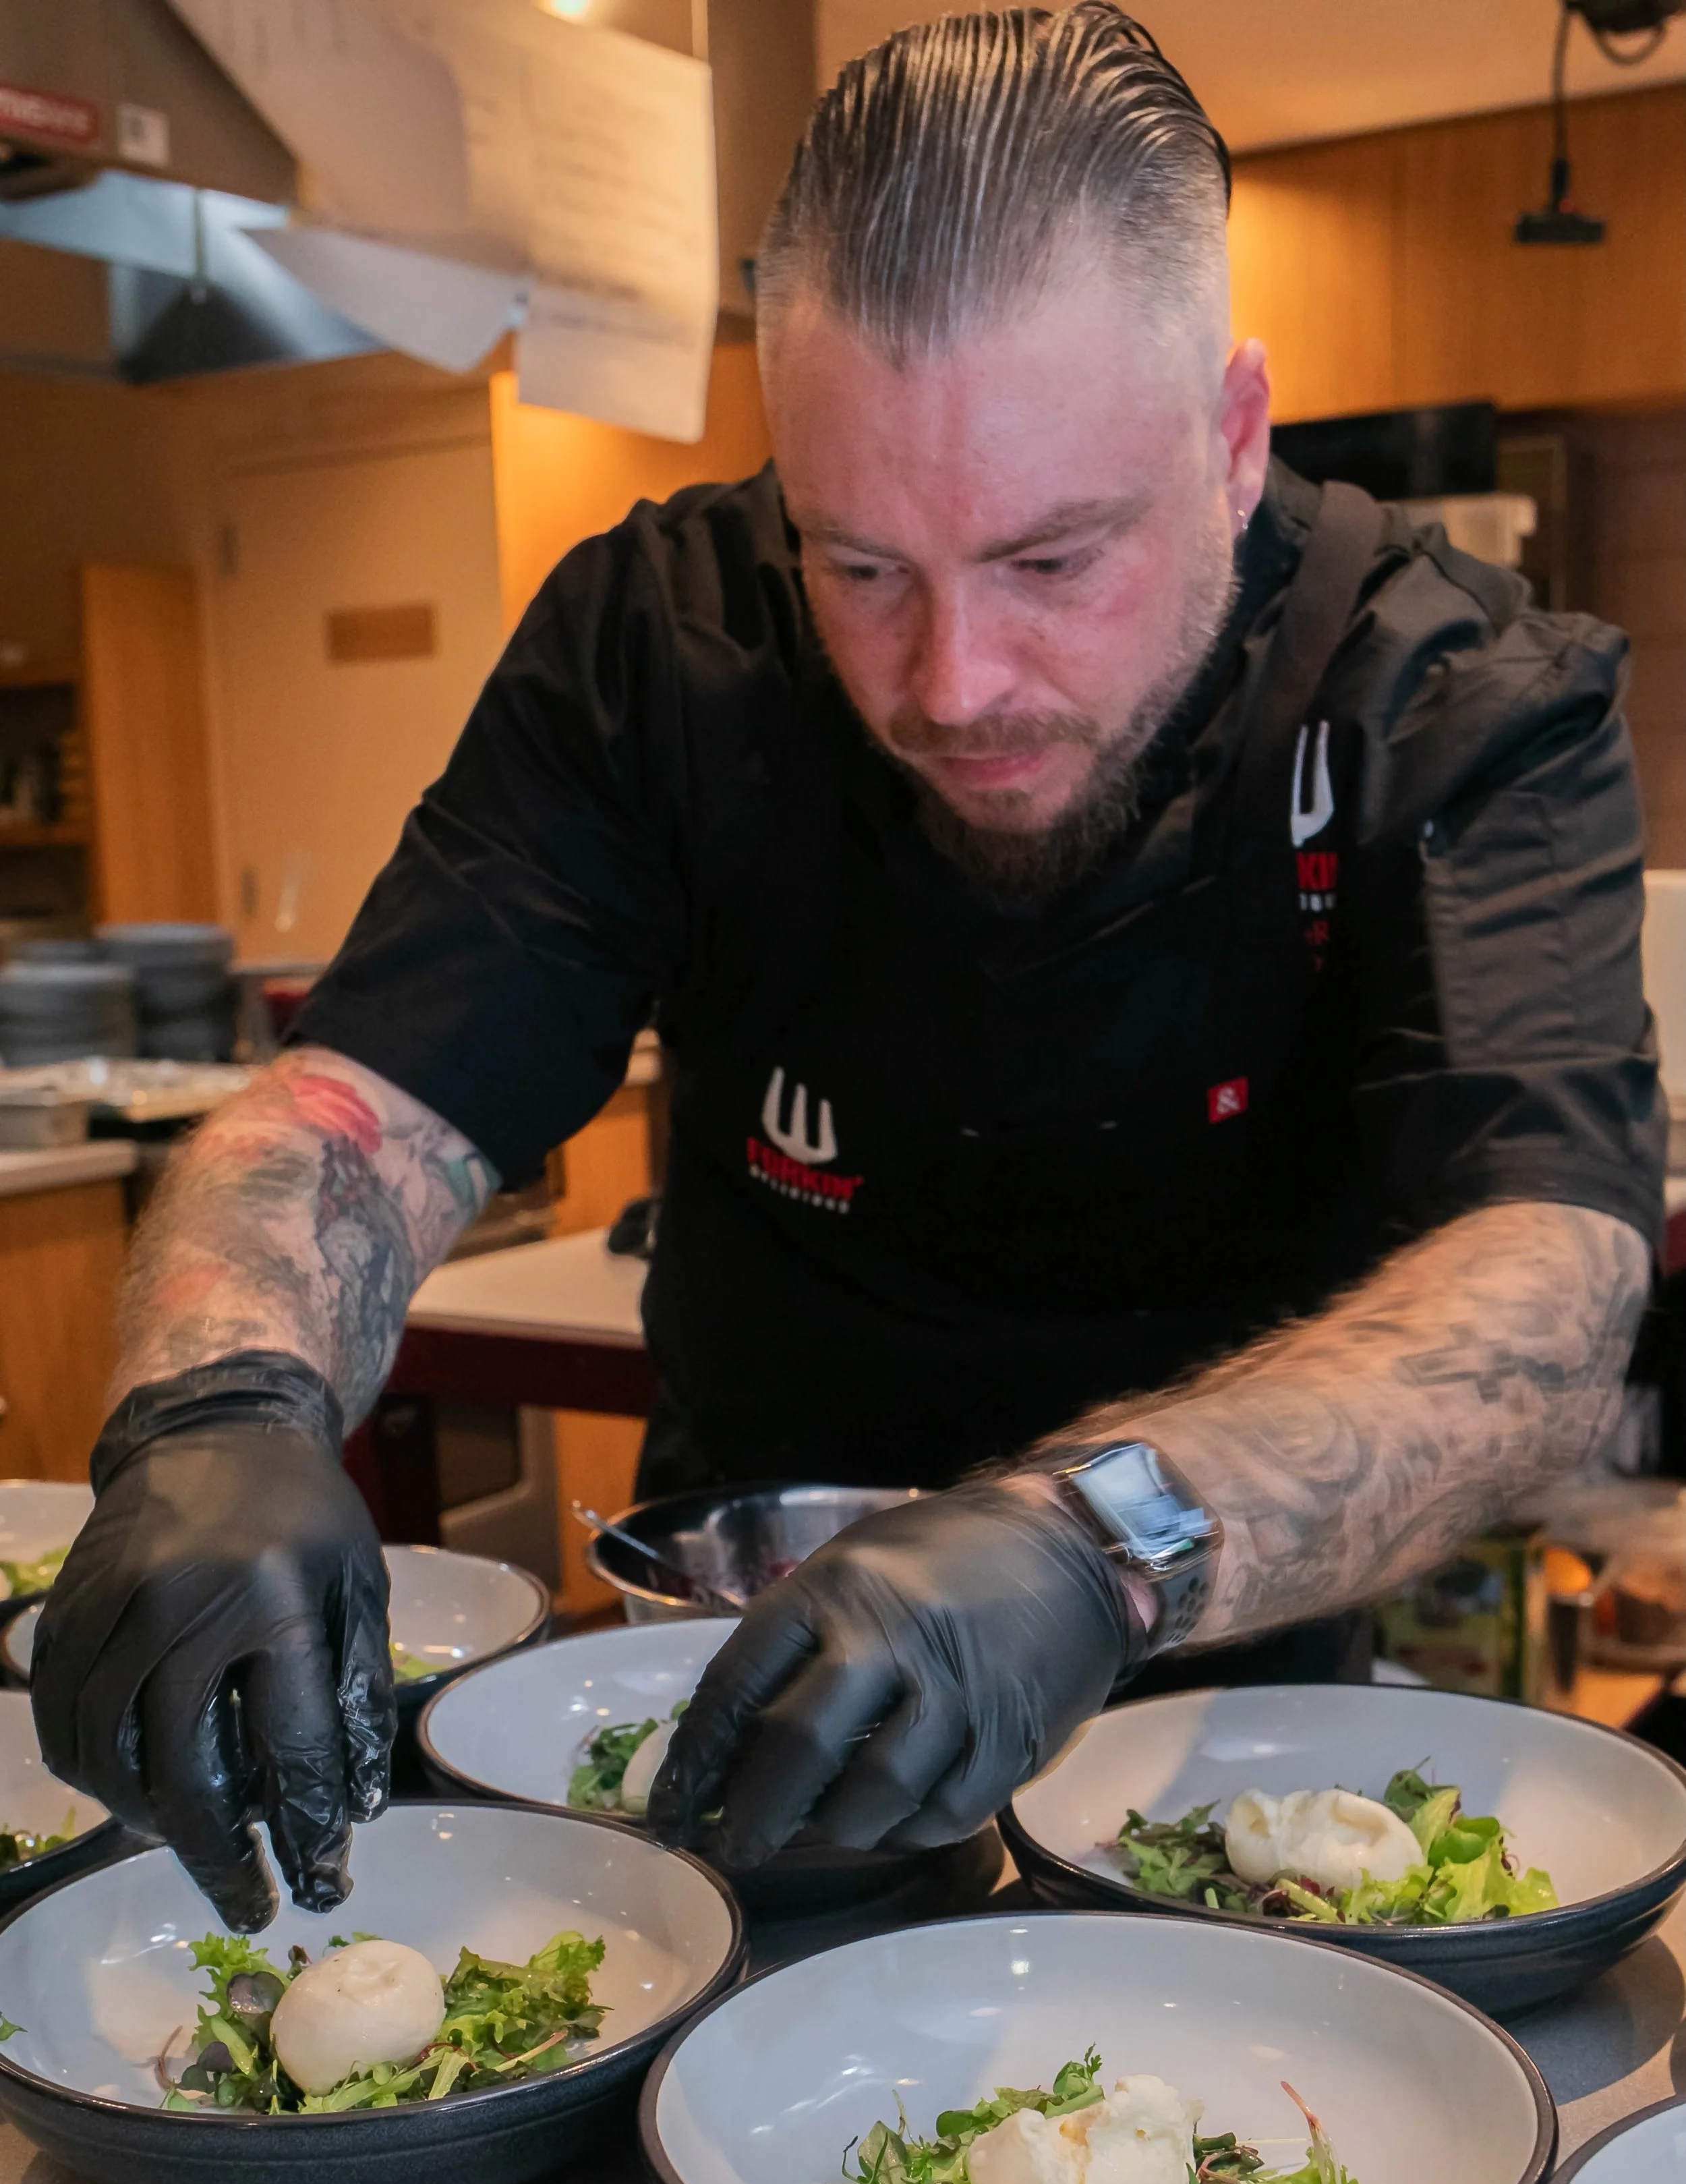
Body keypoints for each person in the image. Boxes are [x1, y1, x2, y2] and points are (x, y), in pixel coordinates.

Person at [33, 7, 1660, 1926]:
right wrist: (218, 1399)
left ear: (1229, 442)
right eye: (860, 563)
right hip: (725, 1690)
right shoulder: (659, 642)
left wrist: (1093, 1542)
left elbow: (1549, 1291)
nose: (951, 683)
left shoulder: (1448, 696)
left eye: (1053, 562)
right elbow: (359, 1106)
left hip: (1224, 1728)